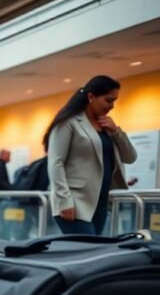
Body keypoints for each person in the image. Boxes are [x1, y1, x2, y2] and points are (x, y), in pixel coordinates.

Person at [45, 75, 137, 235]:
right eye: (108, 100)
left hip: (101, 202)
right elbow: (55, 163)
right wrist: (64, 200)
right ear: (91, 97)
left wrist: (116, 131)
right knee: (86, 247)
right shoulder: (69, 122)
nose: (112, 106)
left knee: (91, 249)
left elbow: (130, 157)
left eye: (114, 101)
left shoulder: (107, 127)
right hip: (74, 202)